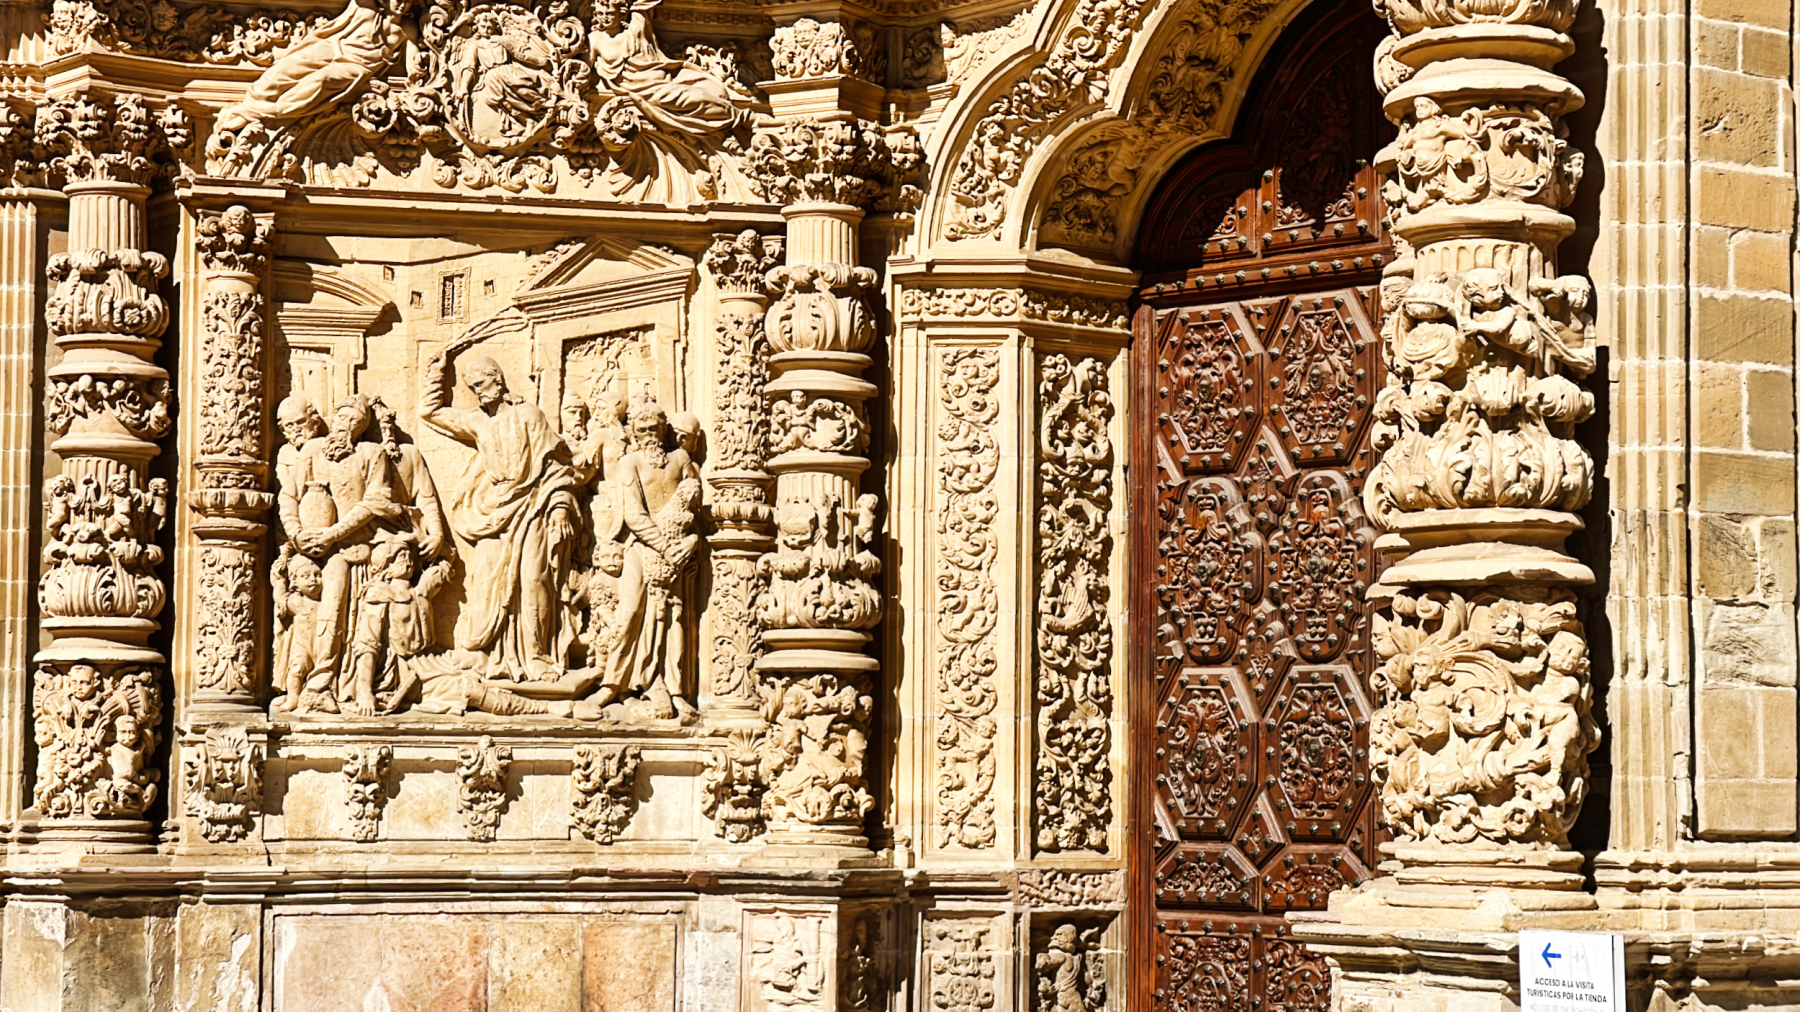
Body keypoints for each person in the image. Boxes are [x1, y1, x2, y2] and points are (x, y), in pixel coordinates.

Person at [420, 351, 582, 682]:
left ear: (498, 379)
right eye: (472, 387)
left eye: (481, 383)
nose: (478, 392)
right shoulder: (478, 421)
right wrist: (435, 374)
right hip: (493, 509)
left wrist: (560, 505)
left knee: (534, 581)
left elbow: (556, 465)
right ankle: (483, 653)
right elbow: (430, 412)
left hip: (533, 505)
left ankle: (536, 655)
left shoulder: (529, 415)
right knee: (485, 581)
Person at [586, 399, 700, 718]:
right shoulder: (630, 462)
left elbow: (694, 511)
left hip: (678, 550)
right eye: (642, 429)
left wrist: (689, 542)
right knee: (631, 610)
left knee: (674, 619)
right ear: (634, 432)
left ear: (664, 429)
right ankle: (613, 684)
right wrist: (665, 546)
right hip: (640, 546)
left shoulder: (681, 460)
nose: (649, 434)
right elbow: (634, 514)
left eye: (654, 428)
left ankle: (676, 691)